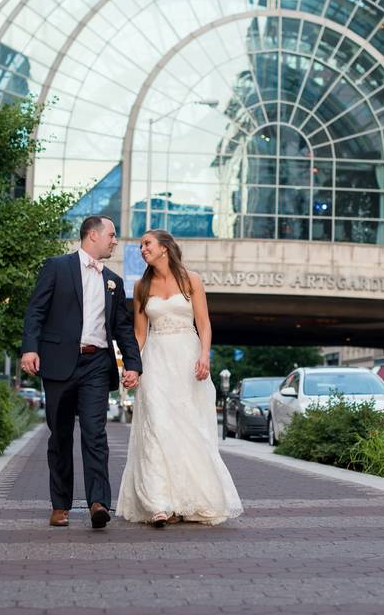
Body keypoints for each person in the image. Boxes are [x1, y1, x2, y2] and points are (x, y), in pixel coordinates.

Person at [21, 215, 142, 529]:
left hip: (97, 365)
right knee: (60, 436)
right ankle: (60, 505)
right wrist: (30, 348)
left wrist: (133, 365)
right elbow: (36, 309)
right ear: (93, 235)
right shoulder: (57, 267)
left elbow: (123, 329)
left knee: (95, 435)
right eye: (112, 235)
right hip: (60, 361)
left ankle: (98, 503)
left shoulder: (114, 281)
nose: (115, 241)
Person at [116, 229, 243, 527]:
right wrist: (132, 367)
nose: (142, 249)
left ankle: (190, 499)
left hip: (187, 359)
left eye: (147, 244)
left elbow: (204, 323)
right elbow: (139, 333)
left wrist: (204, 355)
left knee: (188, 429)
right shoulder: (141, 286)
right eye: (140, 245)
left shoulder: (191, 280)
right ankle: (160, 504)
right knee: (156, 428)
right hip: (156, 362)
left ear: (164, 248)